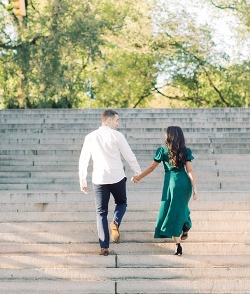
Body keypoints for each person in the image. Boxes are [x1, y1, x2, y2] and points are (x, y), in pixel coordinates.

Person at [79, 109, 141, 256]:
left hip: (99, 179)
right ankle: (115, 222)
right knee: (121, 203)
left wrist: (83, 180)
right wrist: (138, 172)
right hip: (117, 177)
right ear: (109, 120)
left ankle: (104, 246)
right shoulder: (117, 135)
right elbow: (129, 155)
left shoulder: (90, 137)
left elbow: (84, 160)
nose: (117, 124)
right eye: (116, 121)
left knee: (101, 212)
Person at [132, 126, 198, 256]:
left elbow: (151, 168)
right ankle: (186, 225)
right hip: (184, 182)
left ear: (169, 136)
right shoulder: (186, 151)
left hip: (171, 183)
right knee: (180, 208)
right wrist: (195, 187)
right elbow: (189, 170)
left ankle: (178, 244)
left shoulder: (162, 150)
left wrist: (139, 177)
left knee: (172, 210)